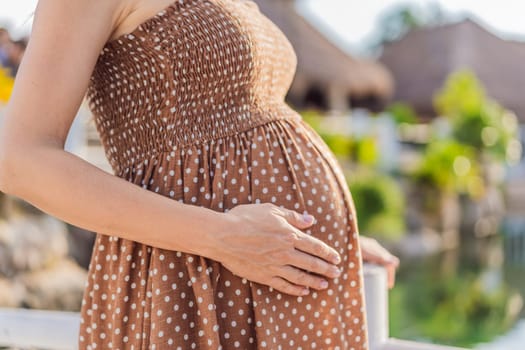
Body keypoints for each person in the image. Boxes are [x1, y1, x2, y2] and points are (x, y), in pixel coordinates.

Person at [0, 0, 399, 348]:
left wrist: (316, 239)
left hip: (271, 275)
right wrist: (223, 236)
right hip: (189, 279)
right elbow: (19, 161)